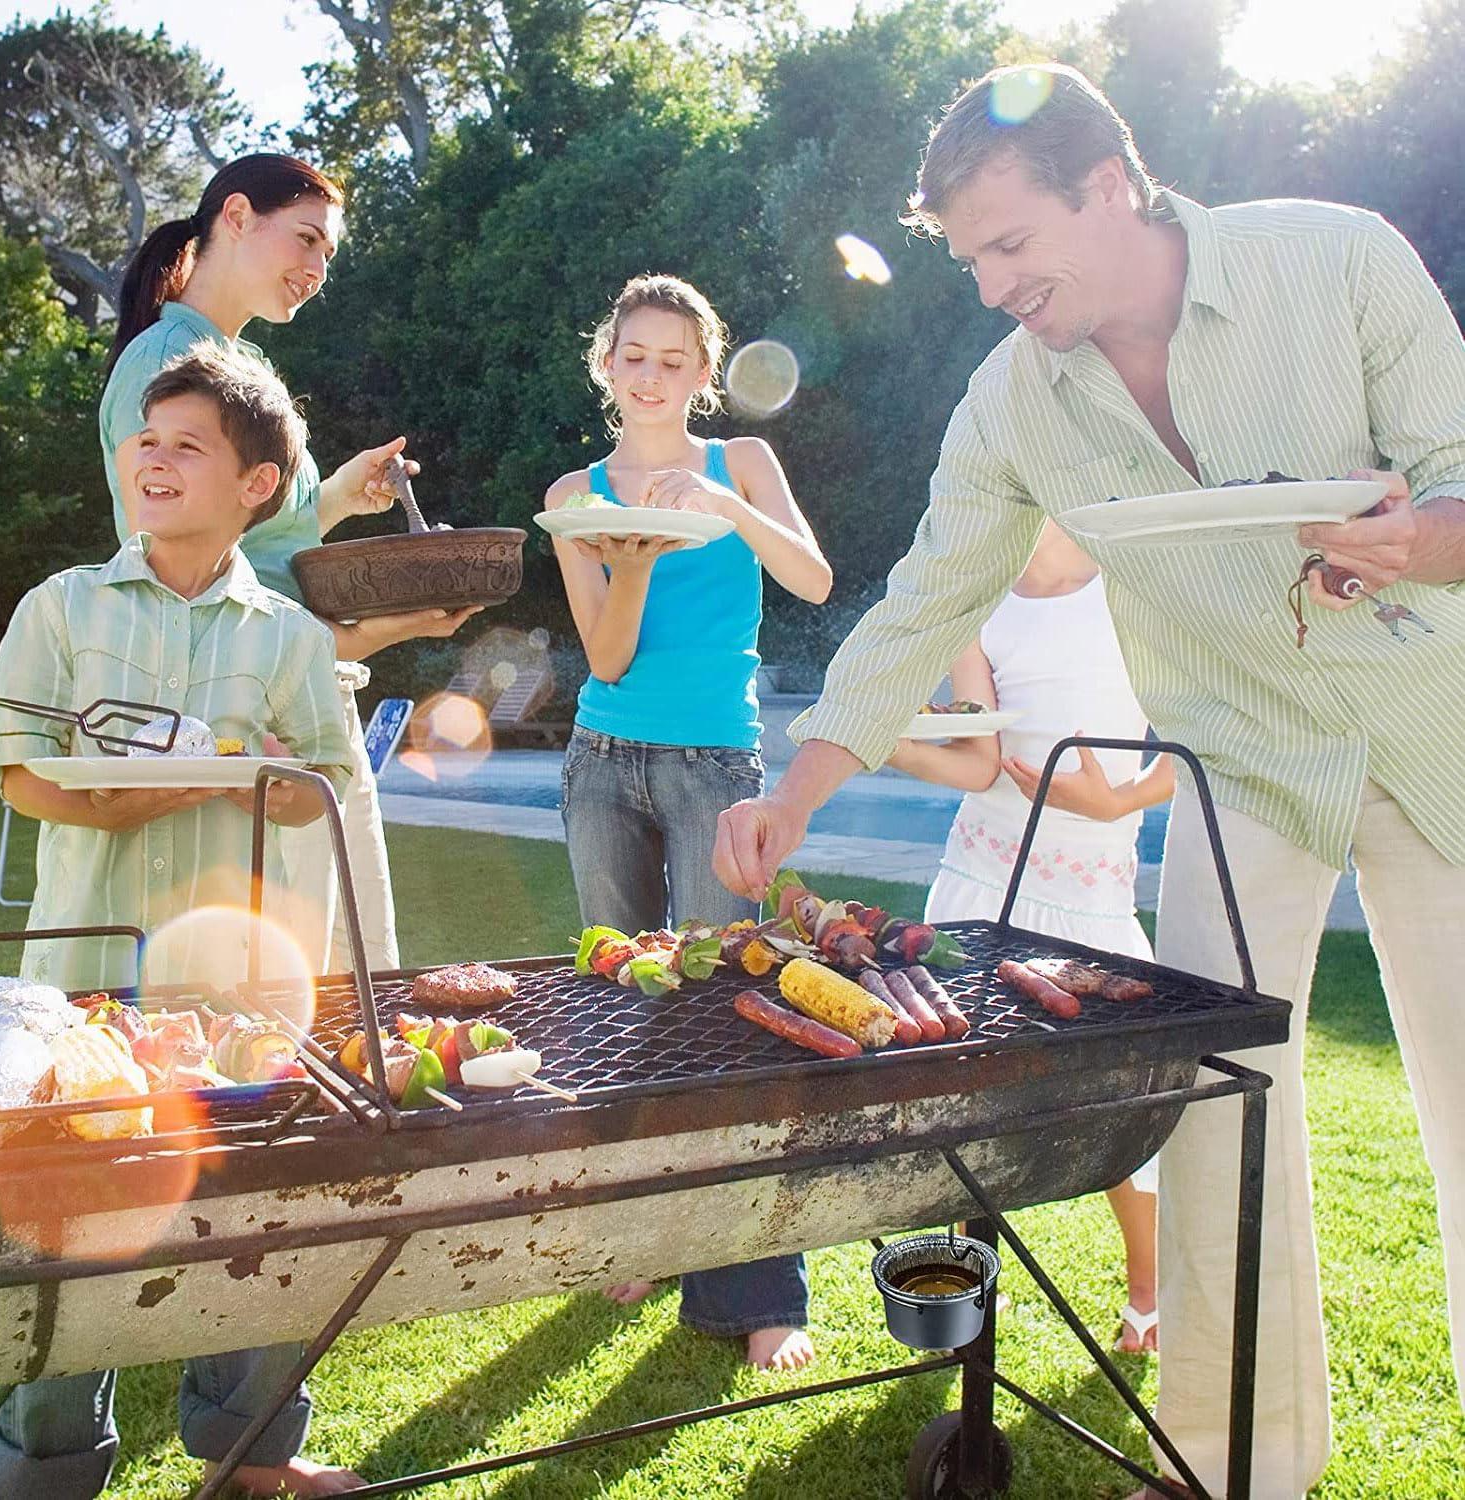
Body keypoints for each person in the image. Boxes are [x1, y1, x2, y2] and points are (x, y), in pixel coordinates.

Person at [712, 61, 1465, 1500]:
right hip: (1242, 761)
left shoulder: (1339, 260)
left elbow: (1462, 475)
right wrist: (800, 792)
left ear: (1110, 186)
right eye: (970, 260)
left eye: (1011, 244)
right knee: (1215, 1102)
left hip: (1444, 724)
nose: (994, 287)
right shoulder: (1011, 403)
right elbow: (926, 602)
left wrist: (1419, 541)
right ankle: (1233, 1464)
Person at [0, 345, 362, 1496]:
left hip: (233, 978)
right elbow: (17, 769)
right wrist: (132, 797)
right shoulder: (63, 606)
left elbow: (319, 787)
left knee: (254, 1210)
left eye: (189, 445)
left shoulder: (289, 635)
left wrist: (273, 775)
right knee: (66, 1221)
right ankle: (44, 1470)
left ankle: (248, 1450)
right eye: (148, 439)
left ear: (257, 486)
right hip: (83, 971)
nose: (155, 457)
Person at [544, 274, 832, 1371]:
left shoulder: (742, 462)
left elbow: (812, 579)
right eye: (635, 356)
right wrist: (628, 562)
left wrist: (728, 510)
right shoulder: (575, 493)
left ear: (704, 374)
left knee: (730, 1010)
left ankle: (759, 1290)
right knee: (621, 1003)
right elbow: (608, 657)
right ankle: (644, 1236)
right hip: (602, 761)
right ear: (606, 364)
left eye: (675, 360)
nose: (652, 376)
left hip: (717, 762)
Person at [101, 152, 478, 979]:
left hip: (297, 691)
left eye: (328, 254)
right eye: (306, 239)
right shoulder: (166, 363)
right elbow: (179, 570)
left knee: (349, 972)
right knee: (278, 987)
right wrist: (385, 630)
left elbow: (263, 544)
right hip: (236, 713)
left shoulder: (240, 362)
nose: (317, 269)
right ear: (236, 216)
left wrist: (337, 494)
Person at [891, 517, 1173, 1354]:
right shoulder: (980, 598)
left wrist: (1120, 802)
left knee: (1127, 1102)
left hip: (1089, 892)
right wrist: (889, 740)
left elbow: (1203, 736)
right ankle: (971, 1291)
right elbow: (978, 761)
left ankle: (1149, 1294)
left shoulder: (1135, 579)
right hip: (979, 884)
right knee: (967, 1098)